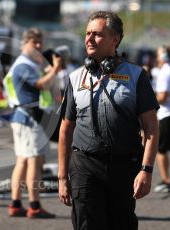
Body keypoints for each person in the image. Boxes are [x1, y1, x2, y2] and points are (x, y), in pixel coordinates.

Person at [58, 11, 159, 230]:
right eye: (87, 34)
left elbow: (151, 128)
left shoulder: (136, 75)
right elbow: (66, 129)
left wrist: (146, 171)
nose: (89, 39)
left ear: (115, 39)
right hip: (84, 165)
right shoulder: (75, 78)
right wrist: (62, 177)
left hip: (123, 166)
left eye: (97, 34)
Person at [6, 28, 61, 218]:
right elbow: (41, 84)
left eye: (40, 42)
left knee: (22, 161)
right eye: (34, 42)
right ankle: (34, 206)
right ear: (24, 43)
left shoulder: (27, 63)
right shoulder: (23, 65)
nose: (38, 46)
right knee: (34, 163)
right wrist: (55, 68)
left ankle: (15, 203)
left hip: (25, 117)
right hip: (29, 119)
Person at [153, 45, 170, 193]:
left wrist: (150, 100)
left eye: (159, 55)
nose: (157, 58)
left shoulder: (165, 71)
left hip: (166, 114)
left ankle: (166, 180)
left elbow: (163, 97)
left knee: (161, 150)